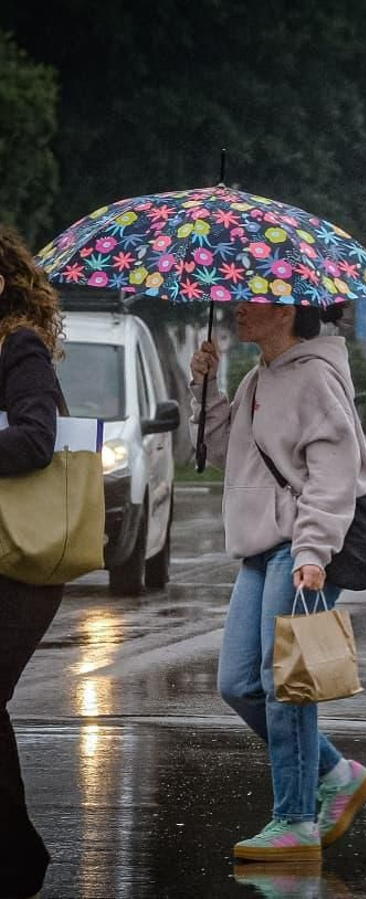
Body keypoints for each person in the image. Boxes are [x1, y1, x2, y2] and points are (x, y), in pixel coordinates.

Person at [190, 301, 366, 862]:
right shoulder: (260, 376)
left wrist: (314, 551)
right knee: (238, 684)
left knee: (285, 685)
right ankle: (336, 774)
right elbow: (229, 456)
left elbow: (334, 473)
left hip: (299, 549)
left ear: (287, 312)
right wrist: (207, 388)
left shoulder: (316, 376)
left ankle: (294, 820)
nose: (237, 308)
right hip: (259, 547)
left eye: (253, 301)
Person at [0, 225, 68, 899]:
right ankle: (16, 859)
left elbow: (36, 439)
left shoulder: (19, 348)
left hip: (21, 564)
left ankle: (18, 862)